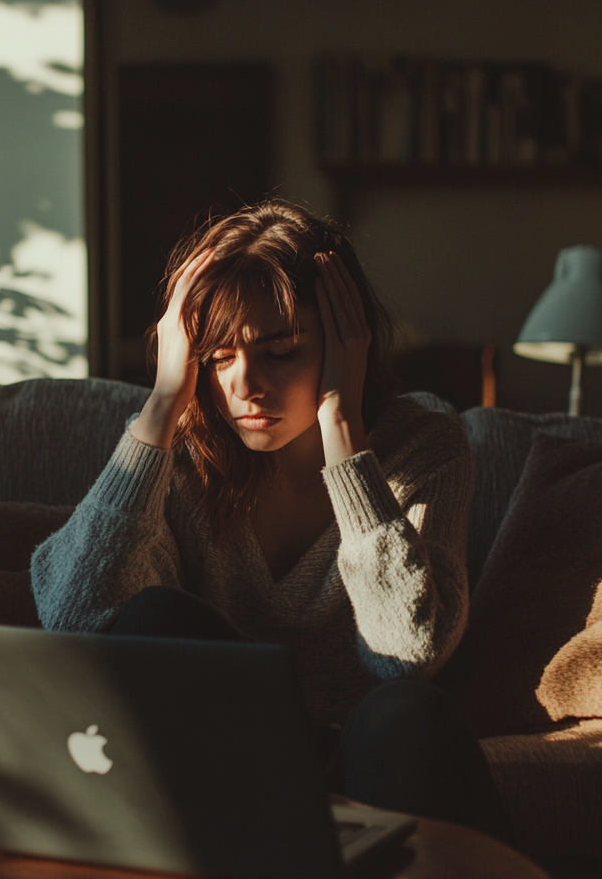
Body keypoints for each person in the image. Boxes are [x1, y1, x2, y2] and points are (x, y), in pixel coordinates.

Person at [31, 201, 507, 838]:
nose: (244, 386)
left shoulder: (425, 446)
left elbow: (410, 654)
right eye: (219, 357)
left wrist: (344, 435)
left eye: (279, 352)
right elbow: (73, 618)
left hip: (368, 763)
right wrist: (163, 405)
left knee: (407, 711)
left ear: (346, 345)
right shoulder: (173, 454)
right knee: (153, 621)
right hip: (225, 765)